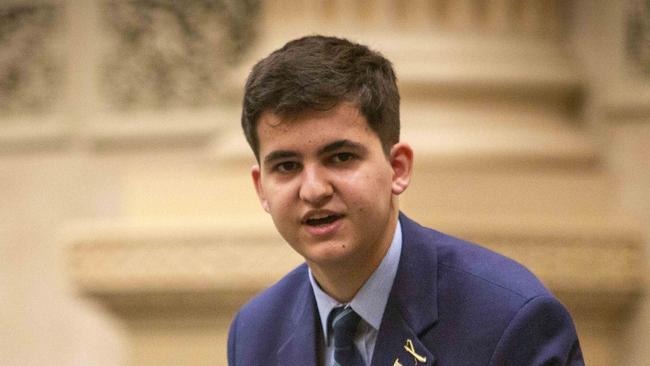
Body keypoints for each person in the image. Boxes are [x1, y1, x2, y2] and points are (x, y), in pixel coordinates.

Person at [228, 35, 584, 366]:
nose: (314, 190)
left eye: (340, 158)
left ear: (398, 168)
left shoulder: (511, 318)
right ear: (262, 188)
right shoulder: (255, 332)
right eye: (286, 166)